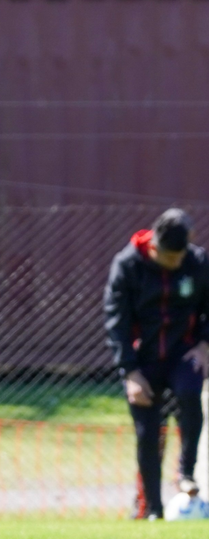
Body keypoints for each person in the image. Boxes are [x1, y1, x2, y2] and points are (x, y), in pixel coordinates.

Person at [103, 208, 209, 520]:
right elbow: (116, 321)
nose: (178, 263)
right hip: (143, 360)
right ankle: (152, 509)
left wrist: (205, 345)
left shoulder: (198, 262)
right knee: (148, 432)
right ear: (154, 248)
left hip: (183, 353)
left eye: (181, 256)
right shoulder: (127, 266)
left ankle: (185, 473)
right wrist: (130, 372)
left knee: (190, 393)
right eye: (171, 258)